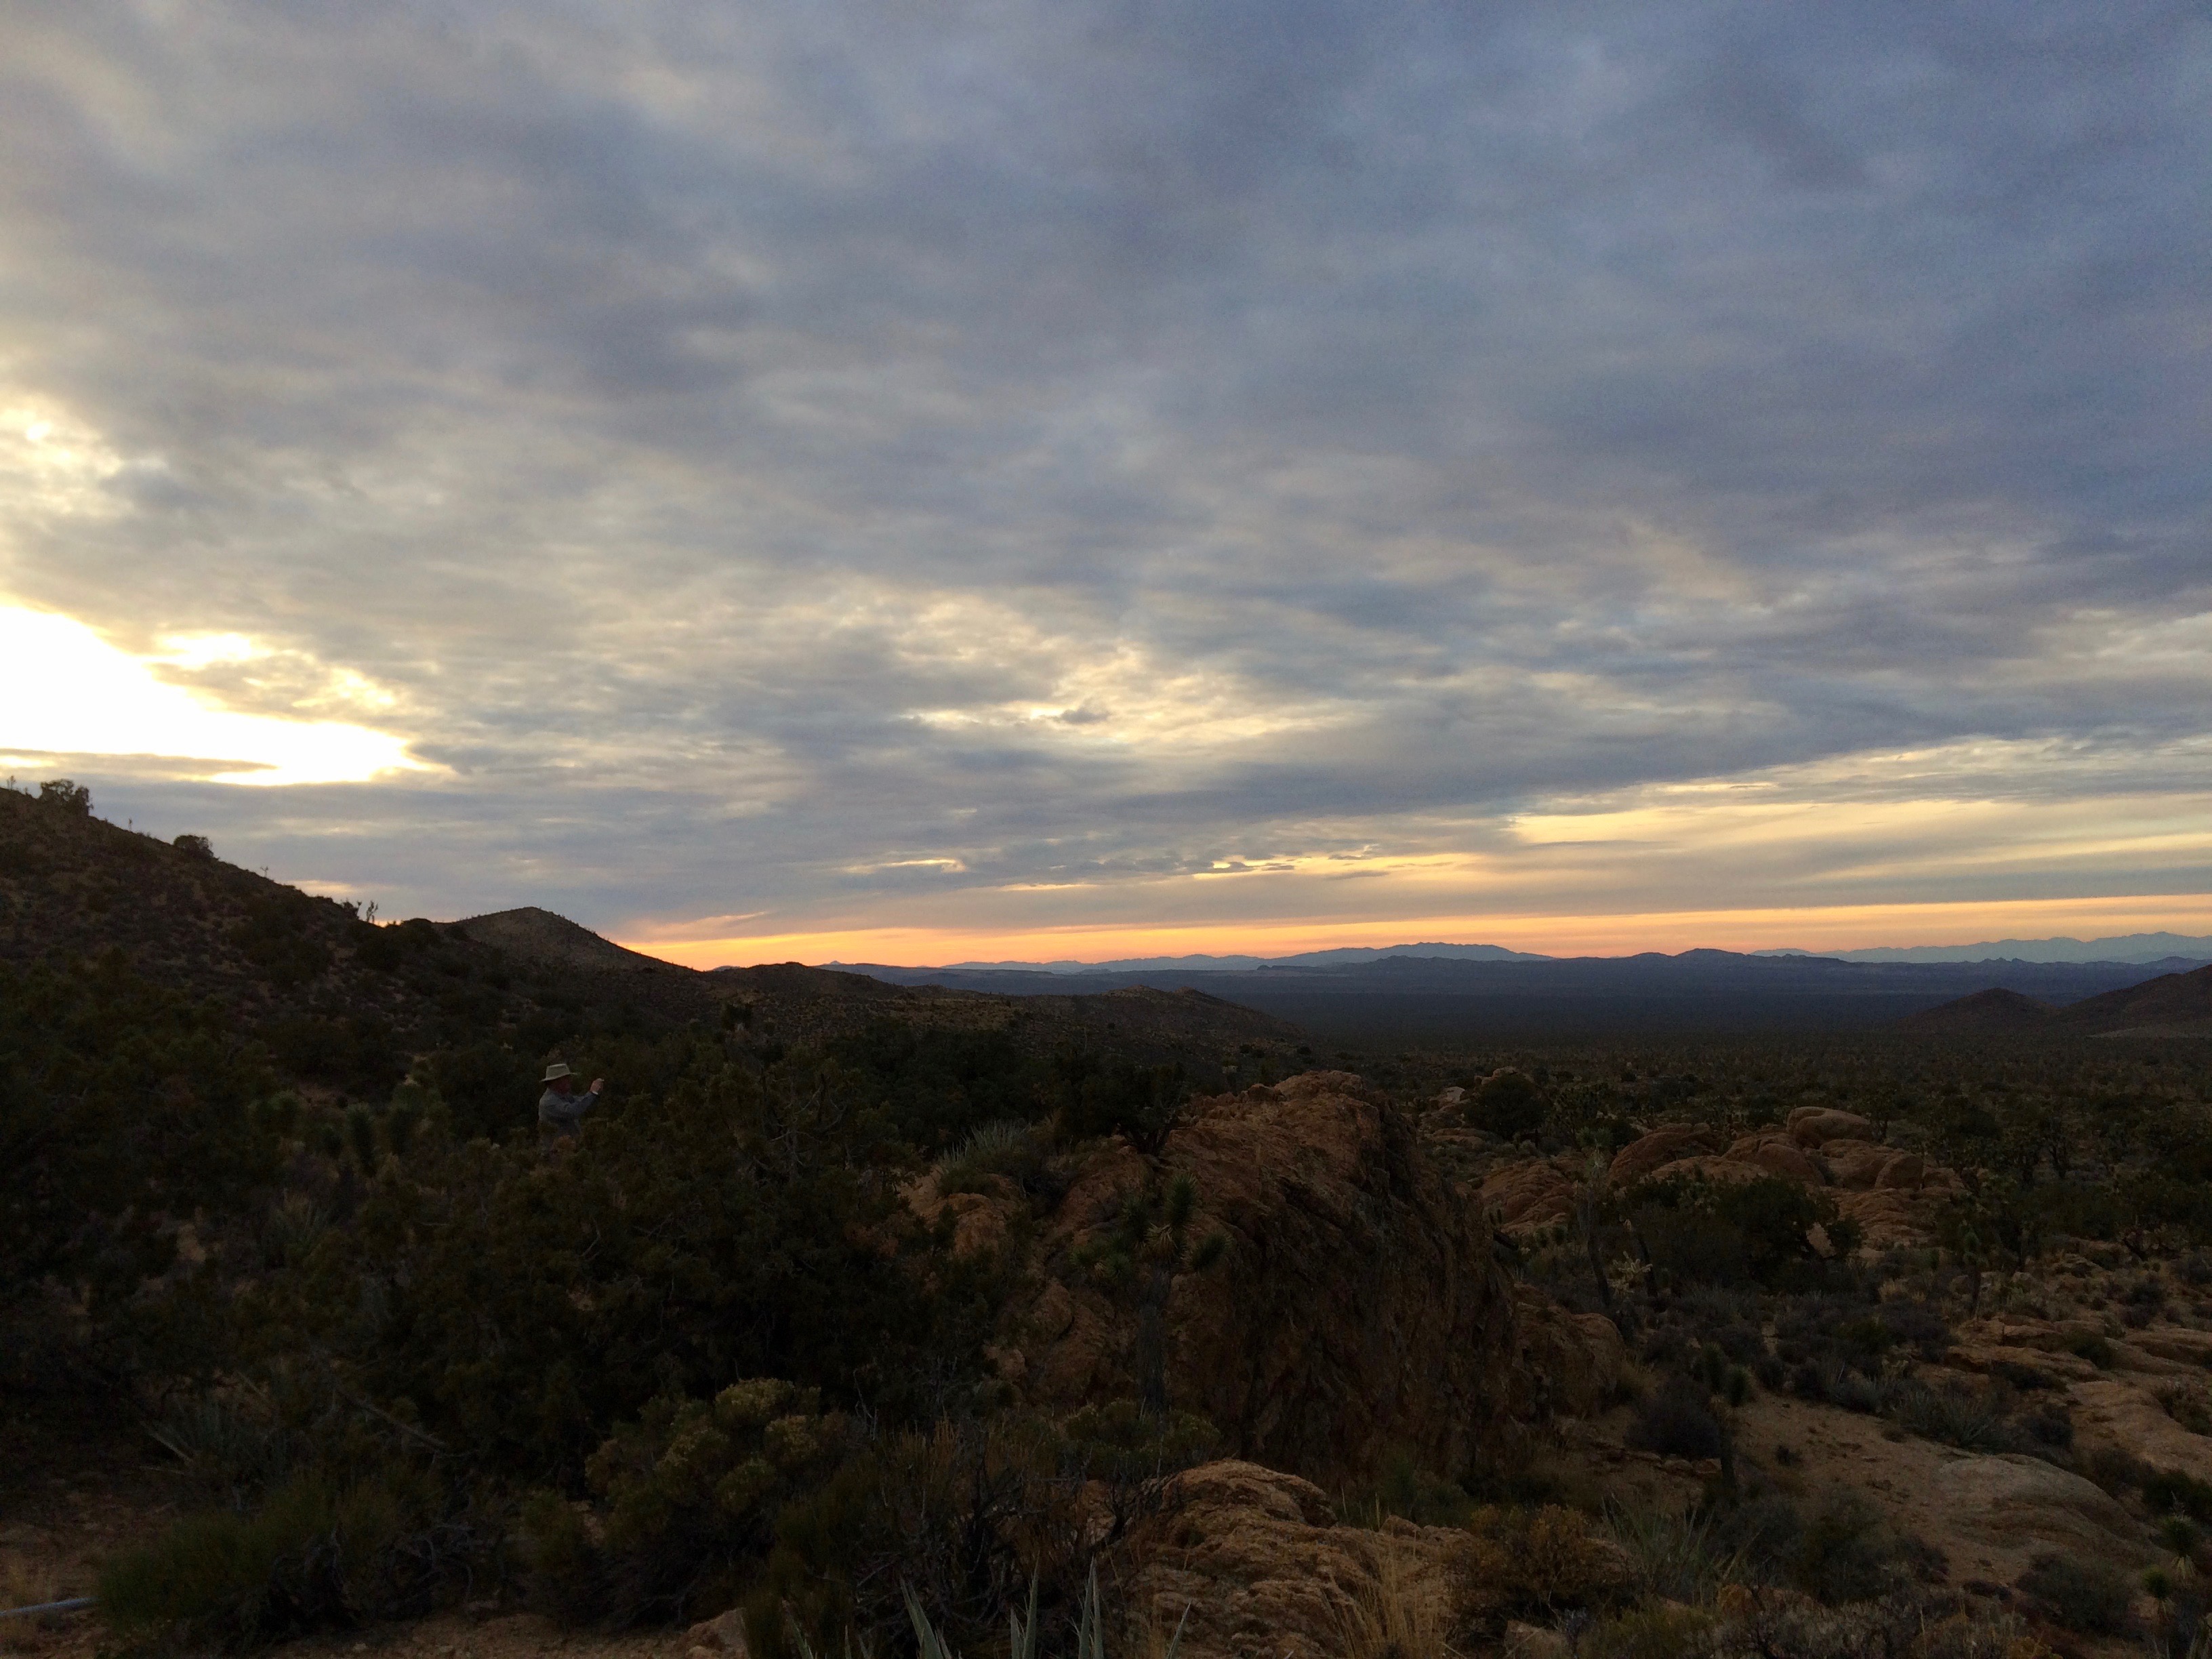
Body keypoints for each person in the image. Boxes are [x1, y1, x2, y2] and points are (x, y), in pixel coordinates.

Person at [537, 1062, 605, 1144]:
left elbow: (580, 1102)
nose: (570, 1081)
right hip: (556, 1152)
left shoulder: (564, 1096)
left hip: (569, 1148)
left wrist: (595, 1094)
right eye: (566, 1078)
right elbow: (572, 1111)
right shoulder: (548, 1102)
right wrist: (593, 1092)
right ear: (555, 1082)